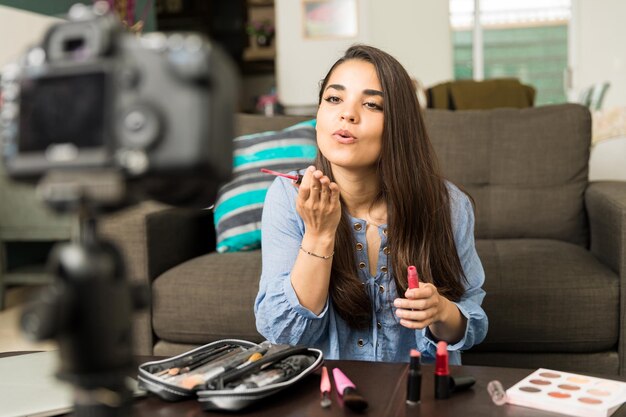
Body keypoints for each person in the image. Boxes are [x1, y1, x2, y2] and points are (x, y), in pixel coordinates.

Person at [254, 44, 487, 364]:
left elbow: (472, 324)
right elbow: (286, 335)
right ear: (318, 115)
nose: (347, 114)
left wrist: (442, 311)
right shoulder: (287, 196)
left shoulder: (449, 206)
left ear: (399, 125)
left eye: (372, 104)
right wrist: (319, 234)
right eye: (334, 99)